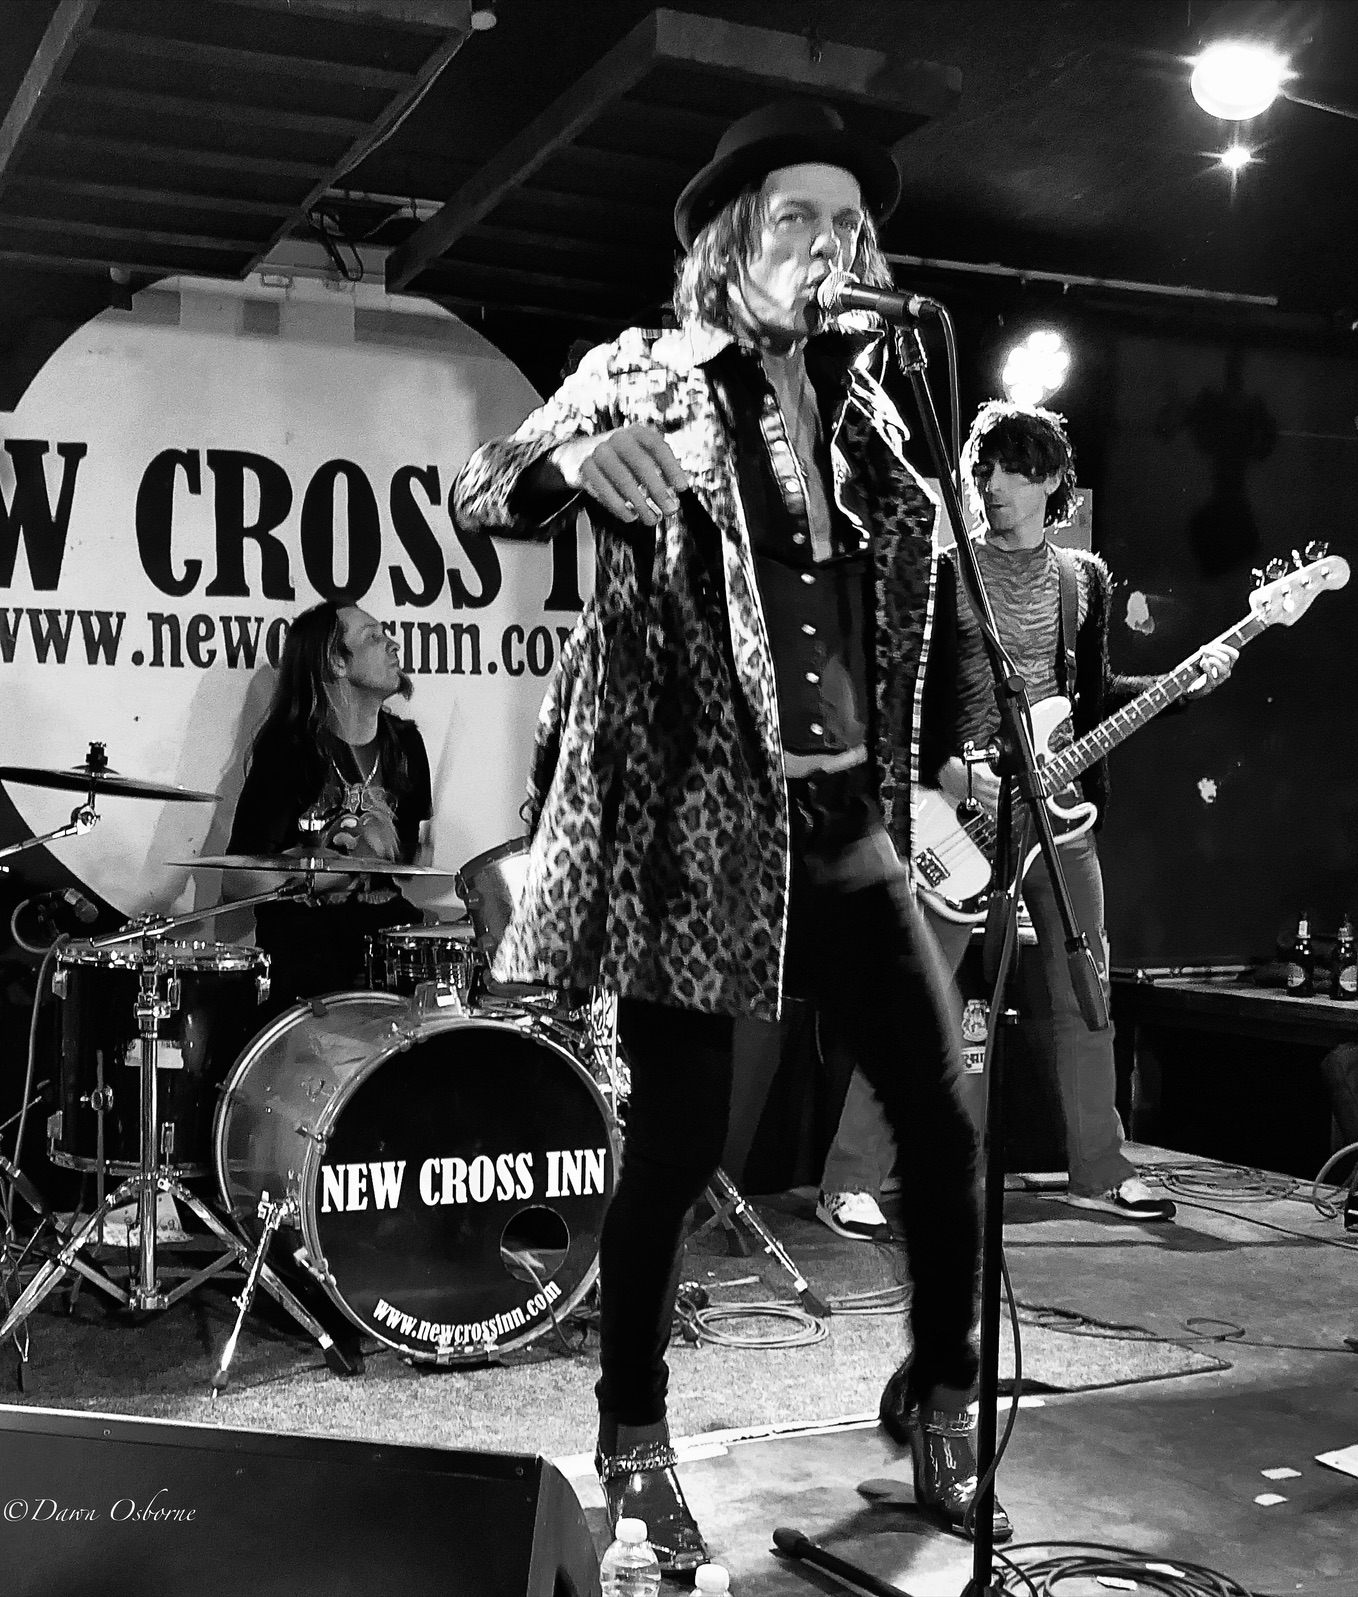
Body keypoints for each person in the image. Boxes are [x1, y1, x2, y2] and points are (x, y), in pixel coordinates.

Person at [450, 99, 1003, 1564]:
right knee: (679, 1142)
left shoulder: (878, 413)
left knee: (943, 1122)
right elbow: (481, 486)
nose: (826, 243)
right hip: (696, 830)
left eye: (845, 222)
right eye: (795, 217)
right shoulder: (646, 371)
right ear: (731, 242)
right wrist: (568, 466)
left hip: (847, 823)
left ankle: (945, 1396)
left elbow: (917, 616)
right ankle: (632, 1437)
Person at [818, 401, 1238, 1241]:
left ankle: (1099, 1168)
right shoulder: (942, 574)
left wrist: (1180, 687)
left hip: (1059, 817)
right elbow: (890, 698)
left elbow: (1088, 699)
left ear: (1051, 482)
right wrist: (946, 771)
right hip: (958, 816)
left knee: (1087, 995)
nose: (993, 485)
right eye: (983, 470)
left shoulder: (1083, 580)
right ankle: (849, 1179)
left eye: (1013, 470)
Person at [227, 602, 431, 1009]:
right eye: (373, 637)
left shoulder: (406, 745)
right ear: (337, 662)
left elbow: (408, 859)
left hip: (384, 943)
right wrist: (326, 872)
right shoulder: (290, 751)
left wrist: (412, 853)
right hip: (309, 950)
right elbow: (238, 880)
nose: (393, 645)